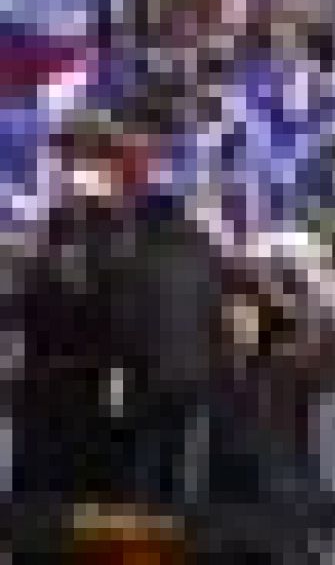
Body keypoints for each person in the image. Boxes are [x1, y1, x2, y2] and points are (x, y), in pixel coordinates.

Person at [13, 110, 223, 508]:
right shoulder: (67, 228)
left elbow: (107, 304)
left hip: (93, 391)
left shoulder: (113, 232)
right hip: (63, 391)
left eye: (71, 157)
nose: (61, 170)